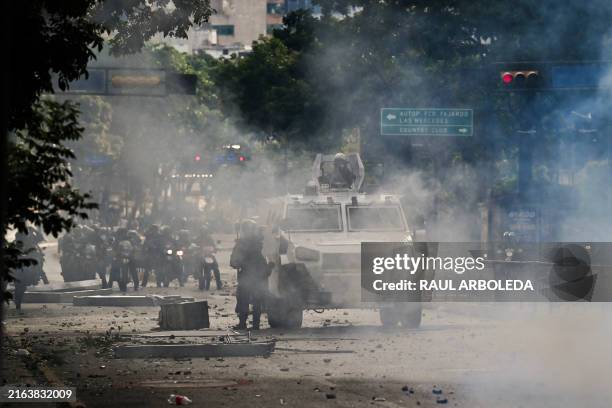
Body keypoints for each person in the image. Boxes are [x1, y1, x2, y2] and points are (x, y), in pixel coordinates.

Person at [229, 220, 270, 330]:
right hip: (260, 276)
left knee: (243, 299)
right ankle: (256, 325)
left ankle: (242, 324)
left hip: (247, 276)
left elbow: (234, 262)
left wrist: (236, 264)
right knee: (257, 301)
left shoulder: (242, 243)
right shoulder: (261, 242)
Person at [13, 227, 46, 311]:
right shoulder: (18, 237)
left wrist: (34, 230)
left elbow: (41, 237)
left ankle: (40, 275)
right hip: (22, 259)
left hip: (32, 256)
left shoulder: (32, 237)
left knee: (39, 261)